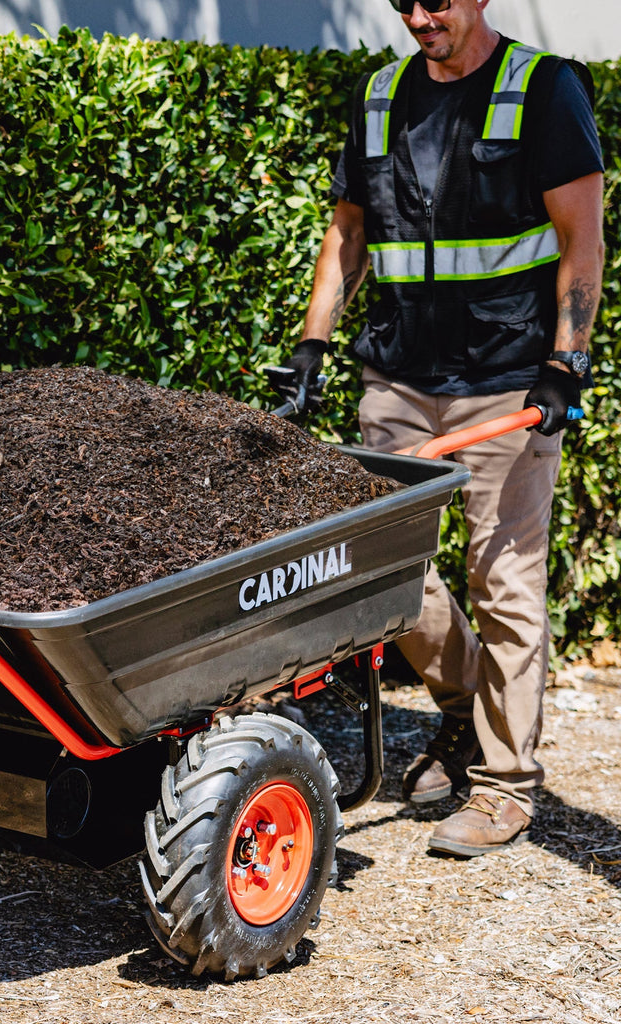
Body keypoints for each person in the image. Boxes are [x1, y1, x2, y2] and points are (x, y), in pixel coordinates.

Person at [273, 0, 604, 856]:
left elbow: (582, 238)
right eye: (404, 1)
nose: (420, 16)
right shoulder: (380, 94)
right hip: (398, 377)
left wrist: (565, 362)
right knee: (384, 572)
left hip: (508, 383)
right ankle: (464, 714)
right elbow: (350, 230)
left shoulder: (544, 89)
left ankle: (504, 786)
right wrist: (313, 345)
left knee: (504, 578)